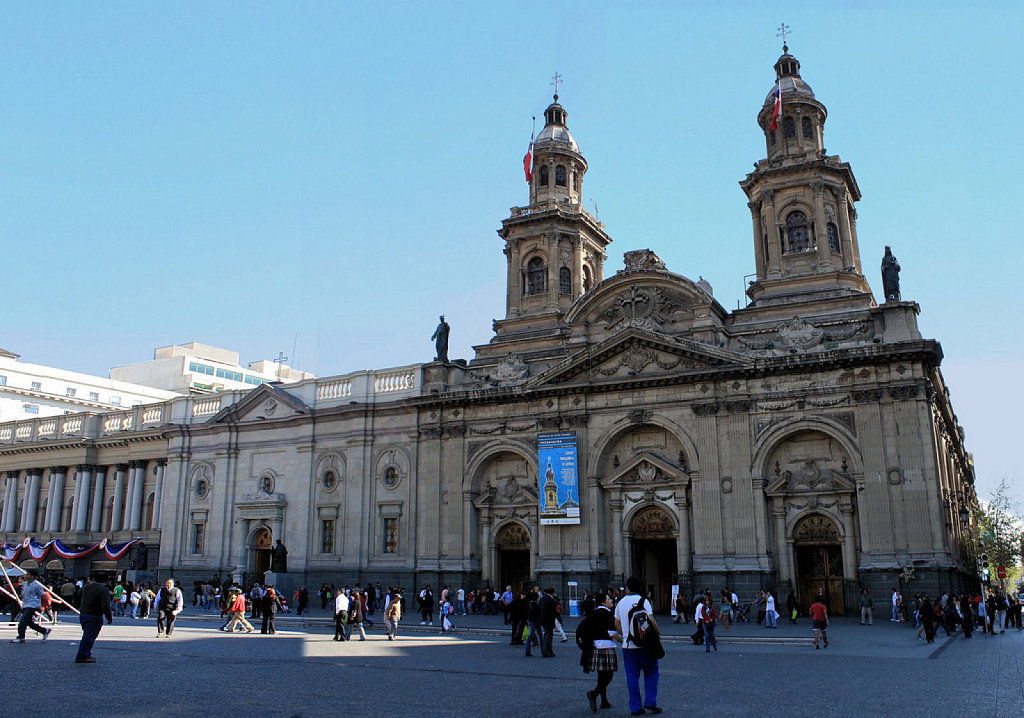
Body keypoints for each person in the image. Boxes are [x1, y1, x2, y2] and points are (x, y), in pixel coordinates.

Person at [614, 576, 662, 715]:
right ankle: (650, 702)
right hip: (645, 645)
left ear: (627, 588)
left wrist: (626, 634)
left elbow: (616, 622)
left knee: (632, 677)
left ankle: (635, 707)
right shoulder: (643, 601)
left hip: (628, 646)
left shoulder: (621, 602)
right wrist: (658, 633)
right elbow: (651, 620)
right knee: (652, 672)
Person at [580, 590, 619, 713]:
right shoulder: (607, 614)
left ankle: (604, 700)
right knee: (609, 674)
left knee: (601, 675)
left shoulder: (593, 613)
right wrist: (624, 640)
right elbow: (612, 633)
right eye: (609, 599)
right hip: (606, 646)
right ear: (604, 602)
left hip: (595, 646)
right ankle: (594, 693)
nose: (611, 600)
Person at [75, 574, 113, 663]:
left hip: (84, 613)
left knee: (87, 635)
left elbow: (78, 593)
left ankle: (85, 654)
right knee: (89, 636)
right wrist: (109, 617)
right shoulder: (103, 589)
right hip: (95, 614)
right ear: (106, 580)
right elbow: (106, 605)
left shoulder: (86, 587)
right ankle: (83, 655)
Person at [10, 569, 52, 643]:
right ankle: (44, 630)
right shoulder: (25, 584)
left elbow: (43, 596)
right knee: (28, 622)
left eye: (27, 574)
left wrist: (47, 605)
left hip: (33, 605)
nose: (25, 576)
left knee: (22, 621)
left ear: (32, 576)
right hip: (26, 604)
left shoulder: (36, 585)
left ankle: (21, 637)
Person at [538, 587, 557, 656]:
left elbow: (539, 609)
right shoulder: (551, 600)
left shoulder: (542, 599)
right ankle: (546, 651)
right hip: (549, 620)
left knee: (547, 634)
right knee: (548, 636)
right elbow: (554, 611)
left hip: (543, 619)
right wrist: (560, 620)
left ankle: (548, 651)